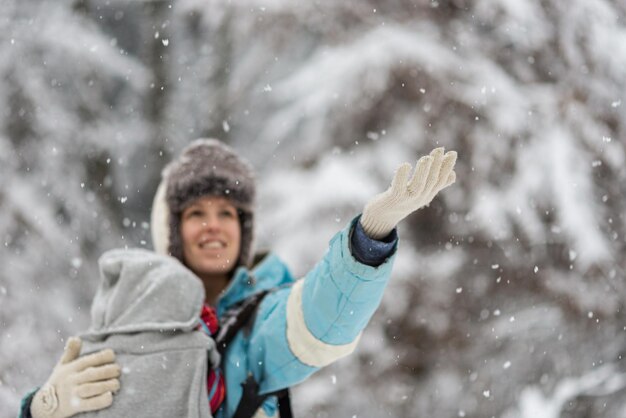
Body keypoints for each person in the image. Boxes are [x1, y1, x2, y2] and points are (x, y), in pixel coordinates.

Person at [20, 139, 457, 418]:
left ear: (244, 229)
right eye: (196, 213)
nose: (214, 225)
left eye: (227, 213)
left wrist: (368, 238)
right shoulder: (129, 312)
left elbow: (320, 319)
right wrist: (41, 409)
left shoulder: (259, 320)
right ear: (171, 230)